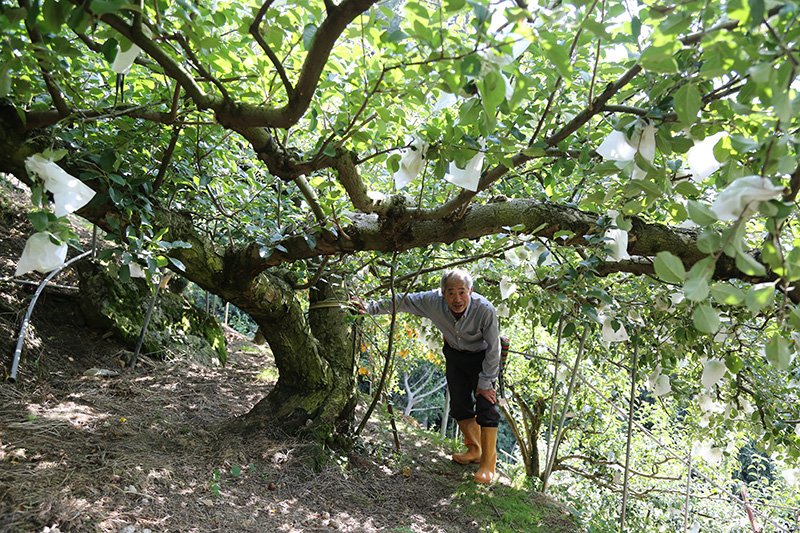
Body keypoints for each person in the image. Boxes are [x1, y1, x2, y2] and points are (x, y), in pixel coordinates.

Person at [361, 268, 501, 484]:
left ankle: (488, 466)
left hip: (483, 358)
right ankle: (474, 449)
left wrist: (486, 382)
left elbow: (494, 349)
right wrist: (369, 307)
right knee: (459, 405)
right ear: (443, 293)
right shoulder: (431, 301)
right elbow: (403, 300)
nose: (457, 299)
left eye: (462, 292)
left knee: (486, 404)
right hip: (455, 354)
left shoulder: (485, 310)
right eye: (451, 293)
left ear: (471, 291)